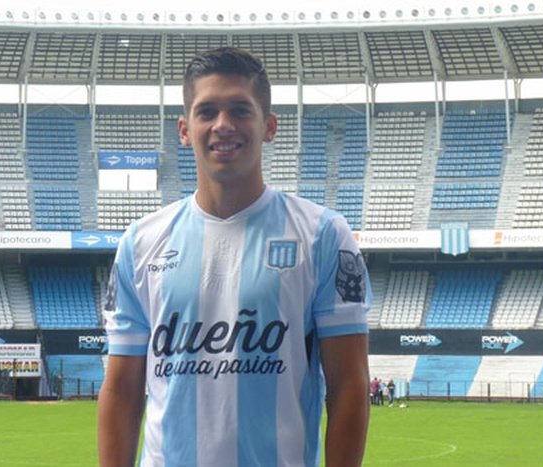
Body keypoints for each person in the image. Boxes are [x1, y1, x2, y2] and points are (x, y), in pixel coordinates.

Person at [97, 47, 371, 467]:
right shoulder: (140, 242)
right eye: (206, 112)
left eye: (241, 110)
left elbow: (349, 385)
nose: (223, 125)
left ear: (270, 126)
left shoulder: (323, 236)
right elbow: (121, 390)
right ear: (185, 129)